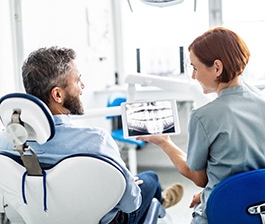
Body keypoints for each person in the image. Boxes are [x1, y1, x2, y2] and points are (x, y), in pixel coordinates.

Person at [0, 46, 184, 224]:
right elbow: (130, 204)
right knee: (150, 179)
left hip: (40, 216)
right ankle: (162, 199)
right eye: (77, 80)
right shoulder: (96, 141)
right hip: (107, 219)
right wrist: (128, 186)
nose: (83, 86)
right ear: (57, 94)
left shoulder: (4, 142)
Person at [136, 27, 265, 223]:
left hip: (222, 214)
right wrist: (214, 192)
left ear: (217, 68)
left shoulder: (203, 116)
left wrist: (164, 142)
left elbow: (199, 178)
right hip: (259, 211)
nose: (193, 77)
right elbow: (251, 170)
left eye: (195, 68)